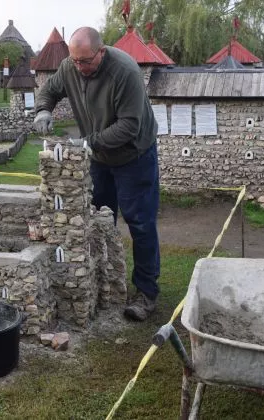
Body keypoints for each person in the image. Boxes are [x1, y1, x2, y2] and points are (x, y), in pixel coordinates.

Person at [34, 27, 160, 321]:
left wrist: (88, 142)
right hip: (99, 158)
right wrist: (43, 109)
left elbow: (129, 125)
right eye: (74, 61)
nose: (79, 68)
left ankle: (146, 292)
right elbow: (51, 89)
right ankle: (103, 284)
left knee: (140, 223)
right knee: (98, 218)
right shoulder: (71, 66)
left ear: (101, 52)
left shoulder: (125, 72)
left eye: (85, 62)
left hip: (134, 155)